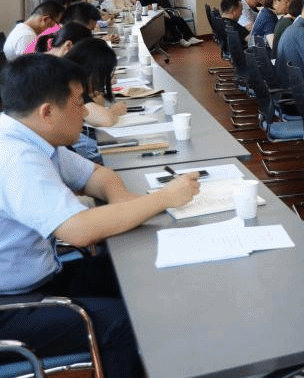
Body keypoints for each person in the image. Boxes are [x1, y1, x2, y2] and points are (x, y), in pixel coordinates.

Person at [0, 54, 200, 377]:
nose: (85, 112)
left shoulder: (30, 137)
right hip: (10, 305)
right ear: (47, 112)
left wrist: (122, 203)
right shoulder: (15, 158)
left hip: (37, 279)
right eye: (79, 103)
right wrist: (164, 198)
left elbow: (98, 176)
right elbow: (78, 231)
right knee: (123, 322)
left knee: (135, 267)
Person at [64, 39, 124, 163]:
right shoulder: (70, 85)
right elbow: (106, 120)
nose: (101, 82)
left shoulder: (70, 76)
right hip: (76, 153)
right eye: (101, 75)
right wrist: (113, 110)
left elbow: (98, 103)